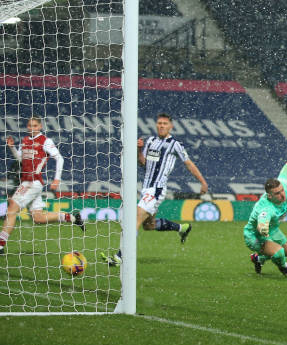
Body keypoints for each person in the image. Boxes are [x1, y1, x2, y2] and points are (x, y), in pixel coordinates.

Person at [100, 113, 208, 266]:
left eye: (165, 123)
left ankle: (119, 258)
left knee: (135, 219)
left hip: (157, 189)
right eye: (159, 123)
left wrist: (202, 182)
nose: (161, 126)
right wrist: (139, 150)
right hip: (146, 188)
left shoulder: (175, 144)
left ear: (171, 126)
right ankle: (182, 228)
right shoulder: (150, 141)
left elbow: (189, 164)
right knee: (148, 225)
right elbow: (143, 163)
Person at [0, 116, 84, 254]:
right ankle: (71, 217)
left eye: (34, 125)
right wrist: (12, 148)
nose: (31, 128)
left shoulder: (45, 141)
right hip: (27, 181)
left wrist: (57, 179)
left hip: (33, 181)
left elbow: (59, 158)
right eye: (29, 125)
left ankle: (0, 245)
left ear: (39, 127)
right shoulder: (25, 141)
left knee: (12, 209)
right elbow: (21, 159)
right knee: (38, 218)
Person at [245, 141, 287, 278]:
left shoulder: (281, 189)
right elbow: (262, 219)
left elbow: (284, 173)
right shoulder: (266, 207)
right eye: (277, 193)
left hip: (272, 229)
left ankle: (258, 259)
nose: (282, 194)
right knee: (279, 253)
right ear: (270, 196)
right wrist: (263, 228)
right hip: (254, 235)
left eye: (281, 191)